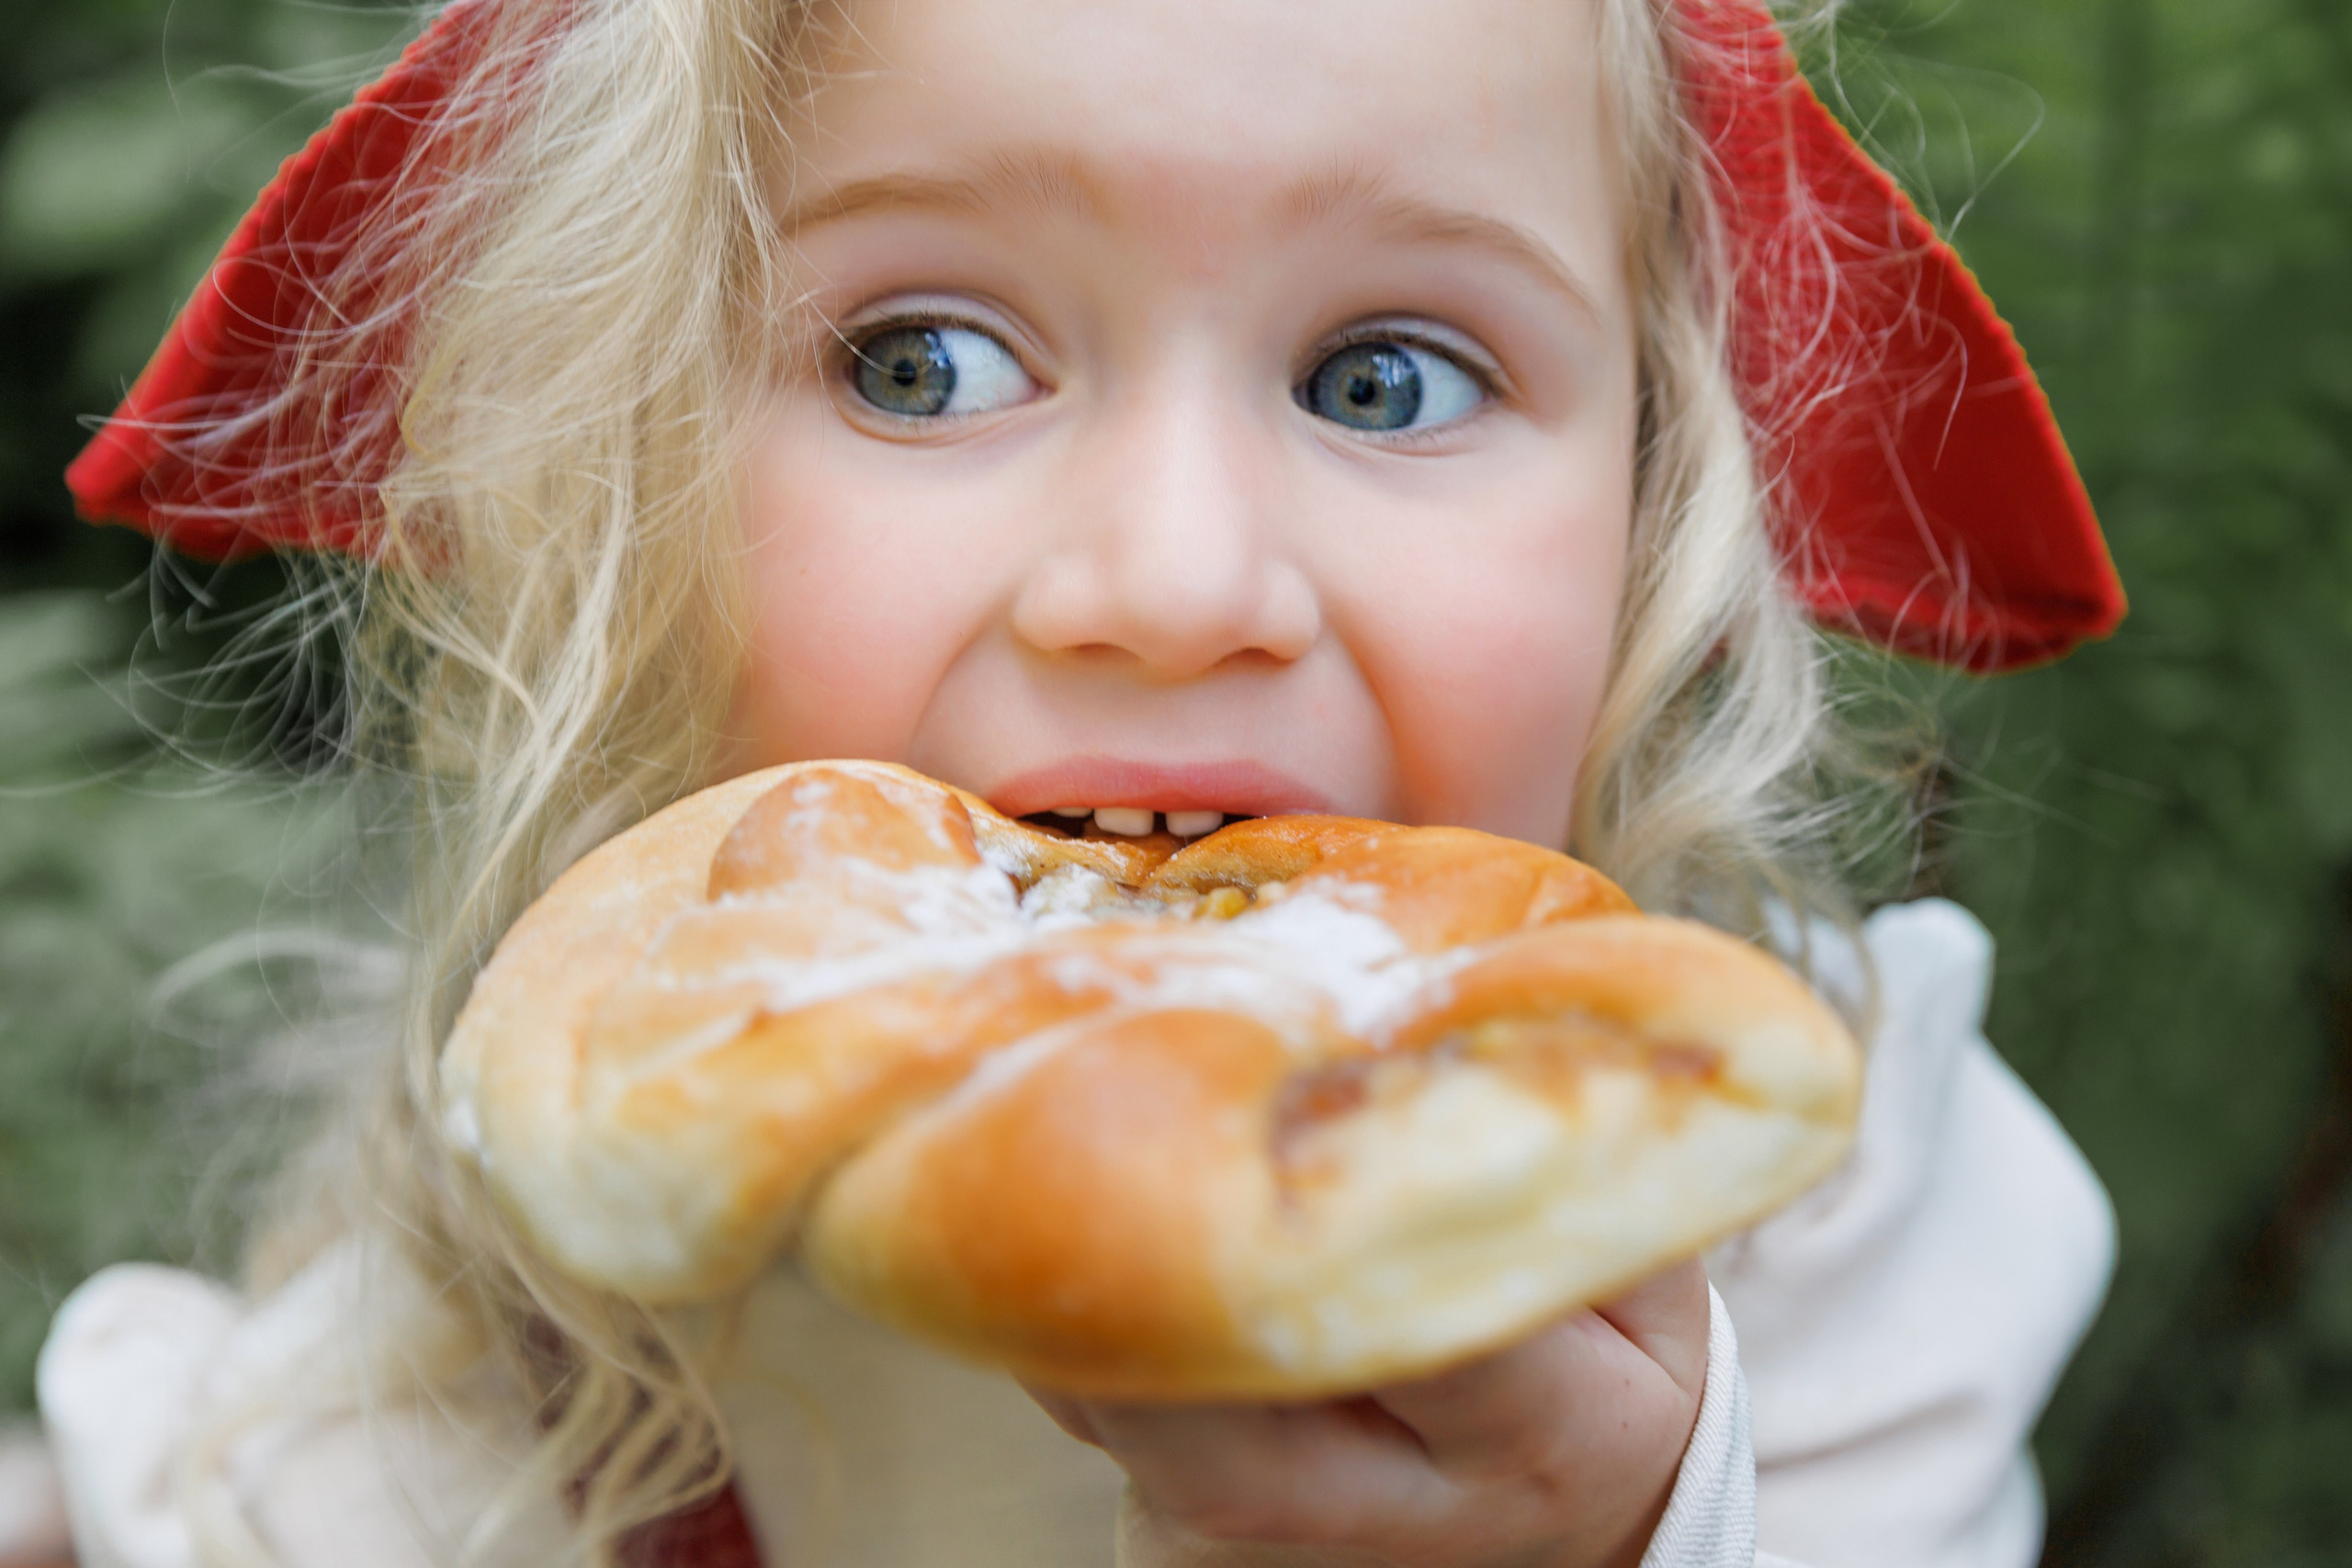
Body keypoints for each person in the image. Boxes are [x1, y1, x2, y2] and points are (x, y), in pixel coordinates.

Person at [28, 1, 2127, 1565]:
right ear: (614, 477)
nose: (1175, 585)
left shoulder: (1816, 1206)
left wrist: (1633, 1525)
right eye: (920, 358)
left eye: (1383, 374)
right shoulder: (458, 1377)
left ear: (1660, 500)